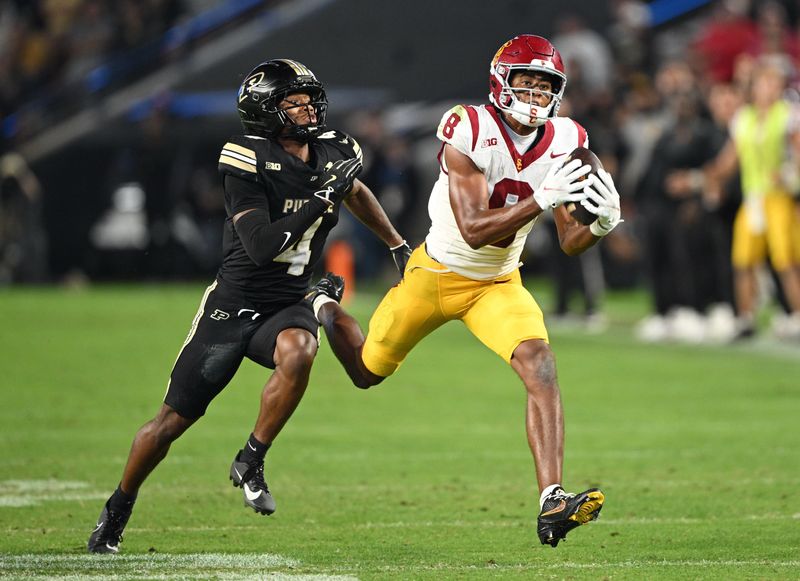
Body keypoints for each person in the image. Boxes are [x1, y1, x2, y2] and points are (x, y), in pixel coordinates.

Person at [306, 35, 621, 548]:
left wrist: (601, 226)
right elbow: (474, 227)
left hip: (499, 281)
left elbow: (569, 242)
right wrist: (542, 196)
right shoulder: (469, 127)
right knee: (365, 371)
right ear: (502, 83)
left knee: (539, 363)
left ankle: (552, 501)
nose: (538, 95)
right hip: (436, 274)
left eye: (547, 86)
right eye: (528, 82)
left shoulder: (568, 139)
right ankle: (323, 303)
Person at [87, 59, 411, 554]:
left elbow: (356, 191)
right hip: (234, 304)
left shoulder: (334, 148)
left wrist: (394, 242)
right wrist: (321, 196)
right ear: (265, 112)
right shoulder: (244, 156)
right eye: (294, 103)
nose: (307, 110)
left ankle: (252, 456)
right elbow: (261, 245)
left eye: (309, 100)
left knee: (301, 350)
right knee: (171, 422)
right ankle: (118, 508)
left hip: (287, 299)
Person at [704, 63, 800, 339]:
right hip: (754, 198)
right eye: (764, 83)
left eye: (773, 84)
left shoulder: (786, 116)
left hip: (778, 196)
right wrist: (710, 175)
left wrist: (789, 174)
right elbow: (729, 159)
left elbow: (797, 152)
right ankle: (745, 318)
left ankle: (797, 315)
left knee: (786, 260)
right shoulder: (744, 118)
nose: (768, 89)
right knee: (743, 260)